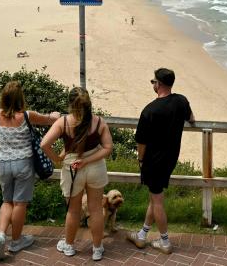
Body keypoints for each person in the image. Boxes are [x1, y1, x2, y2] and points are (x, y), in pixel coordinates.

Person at [126, 68, 195, 254]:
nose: (153, 85)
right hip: (170, 158)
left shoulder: (150, 110)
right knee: (154, 196)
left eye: (153, 82)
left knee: (157, 201)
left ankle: (165, 242)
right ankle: (142, 235)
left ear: (159, 84)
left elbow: (141, 141)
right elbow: (192, 119)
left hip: (153, 161)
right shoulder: (181, 101)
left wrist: (140, 161)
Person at [40, 87, 113, 261]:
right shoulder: (98, 122)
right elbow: (108, 148)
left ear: (70, 104)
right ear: (89, 104)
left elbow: (44, 144)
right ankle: (97, 249)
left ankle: (70, 246)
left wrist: (57, 159)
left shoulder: (63, 122)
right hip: (95, 167)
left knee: (73, 211)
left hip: (72, 168)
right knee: (95, 209)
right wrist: (88, 160)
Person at [0, 81, 61, 261]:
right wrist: (54, 115)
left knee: (7, 201)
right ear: (20, 98)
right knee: (20, 203)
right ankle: (16, 241)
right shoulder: (27, 116)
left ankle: (0, 235)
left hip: (3, 163)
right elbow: (49, 119)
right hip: (23, 163)